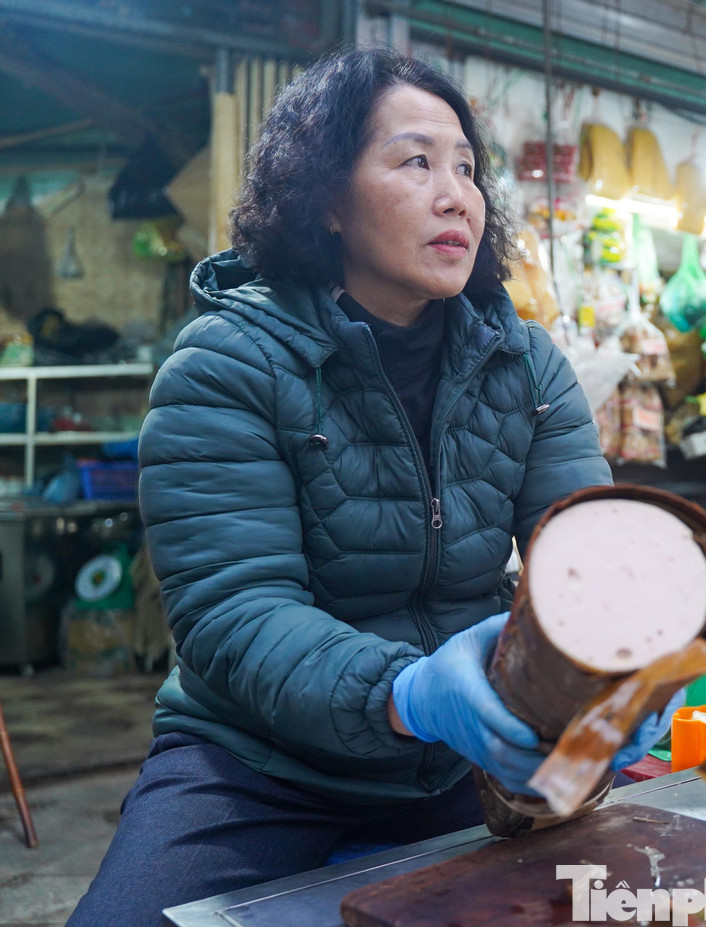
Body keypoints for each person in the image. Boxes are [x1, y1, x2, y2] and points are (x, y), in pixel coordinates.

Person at [70, 49, 674, 925]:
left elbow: (587, 557)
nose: (456, 193)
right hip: (260, 766)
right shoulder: (227, 365)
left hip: (465, 761)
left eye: (466, 167)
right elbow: (233, 614)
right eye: (415, 160)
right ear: (325, 199)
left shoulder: (528, 365)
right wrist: (410, 692)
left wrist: (632, 657)